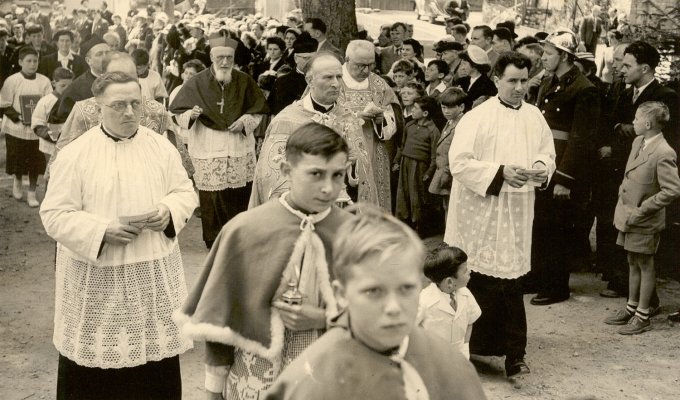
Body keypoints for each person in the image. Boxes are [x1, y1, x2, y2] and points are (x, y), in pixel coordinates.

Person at [40, 71, 198, 400]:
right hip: (96, 284)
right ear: (98, 108)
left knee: (153, 376)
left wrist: (169, 210)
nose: (129, 112)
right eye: (118, 105)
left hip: (149, 283)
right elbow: (54, 215)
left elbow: (185, 192)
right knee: (94, 380)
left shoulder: (161, 148)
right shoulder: (76, 154)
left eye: (135, 104)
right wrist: (101, 230)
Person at [174, 123, 353, 400]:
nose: (328, 188)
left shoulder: (354, 233)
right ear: (286, 171)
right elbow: (222, 318)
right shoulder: (246, 229)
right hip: (257, 371)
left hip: (331, 370)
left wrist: (325, 317)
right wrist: (213, 390)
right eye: (315, 174)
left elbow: (382, 313)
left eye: (338, 175)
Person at [263, 206, 487, 400]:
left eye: (406, 289)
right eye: (374, 291)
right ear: (341, 294)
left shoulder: (449, 363)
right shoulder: (310, 379)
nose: (393, 307)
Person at [444, 52, 556, 377]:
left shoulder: (534, 116)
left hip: (517, 210)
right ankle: (472, 347)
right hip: (481, 211)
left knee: (512, 282)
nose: (520, 88)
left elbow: (546, 153)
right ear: (496, 80)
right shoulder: (477, 117)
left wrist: (540, 168)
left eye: (524, 81)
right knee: (477, 279)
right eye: (513, 81)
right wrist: (500, 172)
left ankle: (514, 354)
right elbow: (460, 162)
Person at [170, 33, 268, 248]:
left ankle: (238, 236)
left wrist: (245, 122)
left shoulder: (244, 81)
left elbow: (258, 111)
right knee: (212, 197)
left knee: (239, 193)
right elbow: (178, 113)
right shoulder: (196, 82)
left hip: (238, 145)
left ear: (234, 58)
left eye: (229, 58)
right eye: (220, 58)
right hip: (208, 145)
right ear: (212, 58)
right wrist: (192, 115)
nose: (224, 62)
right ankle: (213, 239)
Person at [529, 29, 600, 306]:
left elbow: (582, 139)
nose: (543, 58)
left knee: (557, 229)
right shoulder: (549, 82)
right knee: (540, 224)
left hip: (562, 169)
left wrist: (564, 179)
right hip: (544, 164)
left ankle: (556, 286)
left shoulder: (584, 89)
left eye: (548, 54)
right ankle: (537, 277)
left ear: (564, 56)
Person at [249, 53, 366, 208]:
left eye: (339, 77)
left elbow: (364, 174)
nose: (336, 84)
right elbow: (273, 176)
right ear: (309, 80)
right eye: (328, 77)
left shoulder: (349, 118)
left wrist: (352, 161)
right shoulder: (286, 121)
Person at [605, 102, 680, 334]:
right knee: (632, 261)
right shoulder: (638, 142)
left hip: (644, 218)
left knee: (645, 264)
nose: (633, 122)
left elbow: (672, 190)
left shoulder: (664, 152)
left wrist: (642, 209)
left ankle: (643, 314)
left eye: (636, 118)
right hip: (629, 216)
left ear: (647, 123)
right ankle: (632, 306)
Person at [339, 40, 402, 212]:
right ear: (347, 60)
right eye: (360, 66)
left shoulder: (379, 84)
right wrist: (356, 117)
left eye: (370, 65)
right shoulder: (334, 81)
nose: (366, 71)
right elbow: (320, 116)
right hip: (342, 151)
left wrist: (382, 121)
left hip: (375, 150)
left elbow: (393, 114)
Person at [0, 47, 52, 207]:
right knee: (18, 158)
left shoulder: (44, 81)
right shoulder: (12, 80)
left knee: (35, 161)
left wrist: (40, 117)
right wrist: (19, 117)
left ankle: (31, 192)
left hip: (35, 128)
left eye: (35, 61)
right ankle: (17, 181)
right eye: (28, 61)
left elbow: (49, 102)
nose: (32, 64)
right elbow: (4, 102)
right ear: (20, 62)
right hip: (17, 127)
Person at [419, 245, 481, 360]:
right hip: (431, 357)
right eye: (465, 270)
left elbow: (470, 322)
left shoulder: (465, 294)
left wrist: (465, 346)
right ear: (449, 282)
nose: (470, 271)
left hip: (458, 353)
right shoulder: (424, 301)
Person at [394, 96, 440, 234]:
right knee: (403, 194)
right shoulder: (409, 125)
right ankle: (403, 224)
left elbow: (434, 155)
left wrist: (429, 172)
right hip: (405, 164)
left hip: (419, 167)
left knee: (417, 197)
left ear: (425, 113)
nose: (412, 110)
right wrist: (396, 161)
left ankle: (418, 227)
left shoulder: (433, 131)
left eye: (415, 108)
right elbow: (402, 146)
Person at [48, 42, 110, 124]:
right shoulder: (77, 88)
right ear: (88, 61)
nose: (106, 57)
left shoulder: (121, 80)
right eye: (99, 54)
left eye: (108, 53)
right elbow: (60, 120)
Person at [428, 87, 466, 213]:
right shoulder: (450, 122)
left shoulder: (461, 125)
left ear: (461, 107)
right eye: (444, 107)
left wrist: (446, 173)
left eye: (450, 107)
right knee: (447, 209)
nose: (446, 111)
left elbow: (458, 153)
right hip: (445, 175)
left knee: (453, 210)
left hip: (451, 175)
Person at [31, 67, 73, 166]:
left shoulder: (73, 101)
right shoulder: (45, 101)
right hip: (50, 145)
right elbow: (37, 124)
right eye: (63, 86)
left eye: (70, 86)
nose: (67, 89)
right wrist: (54, 137)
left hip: (69, 142)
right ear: (54, 83)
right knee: (52, 170)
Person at [267, 34, 317, 115]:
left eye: (313, 58)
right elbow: (277, 111)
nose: (310, 62)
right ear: (296, 58)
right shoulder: (282, 82)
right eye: (305, 58)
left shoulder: (321, 79)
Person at [456, 45, 496, 111]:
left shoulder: (488, 86)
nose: (462, 68)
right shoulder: (461, 81)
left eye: (465, 64)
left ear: (474, 66)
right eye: (462, 64)